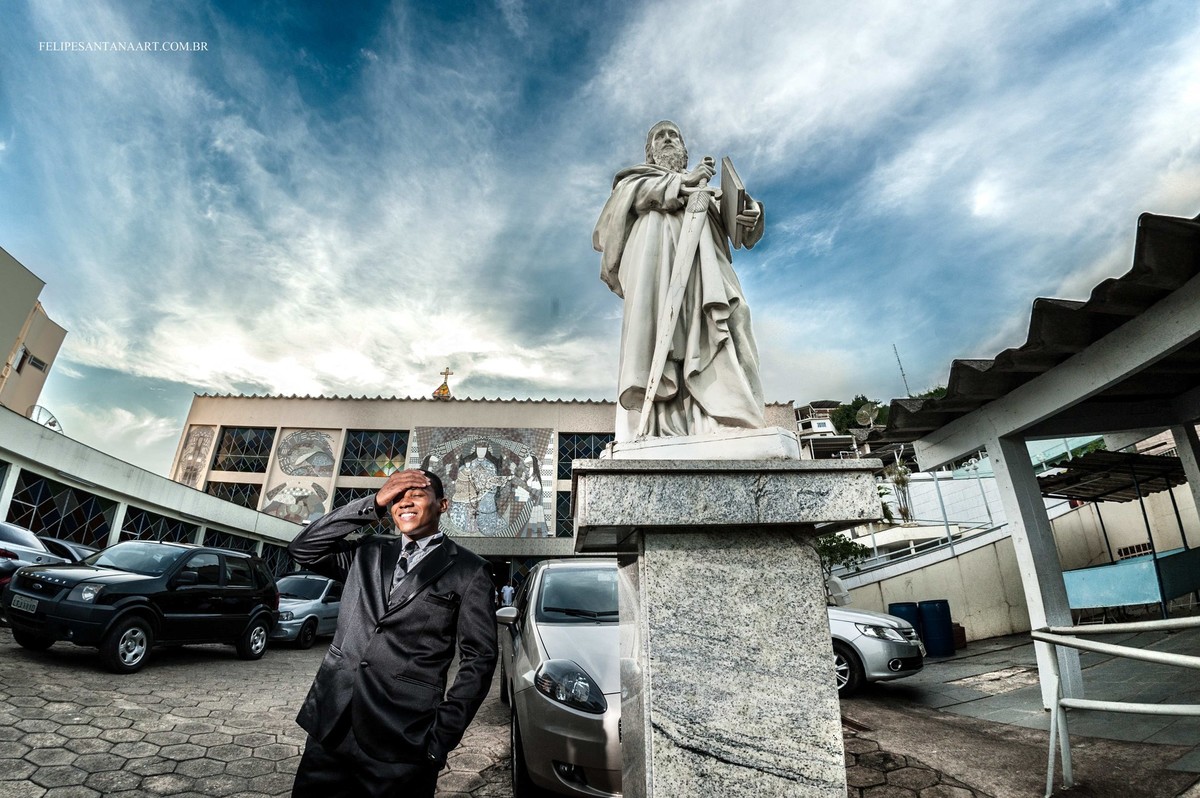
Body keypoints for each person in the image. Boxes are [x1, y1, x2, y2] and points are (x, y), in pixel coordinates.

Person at [288, 468, 497, 798]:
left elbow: (480, 659)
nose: (404, 501)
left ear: (442, 505)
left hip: (403, 740)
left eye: (416, 493)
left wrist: (441, 736)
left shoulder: (470, 570)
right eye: (397, 495)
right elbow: (303, 549)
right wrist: (373, 502)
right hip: (331, 727)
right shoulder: (367, 551)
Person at [593, 120, 768, 440]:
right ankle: (668, 425)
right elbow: (616, 219)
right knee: (664, 331)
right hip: (659, 271)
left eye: (674, 135)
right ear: (650, 153)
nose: (668, 139)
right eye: (660, 136)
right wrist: (682, 184)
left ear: (684, 149)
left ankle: (734, 414)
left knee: (736, 316)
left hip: (709, 271)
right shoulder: (635, 182)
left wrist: (751, 212)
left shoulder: (707, 189)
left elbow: (740, 224)